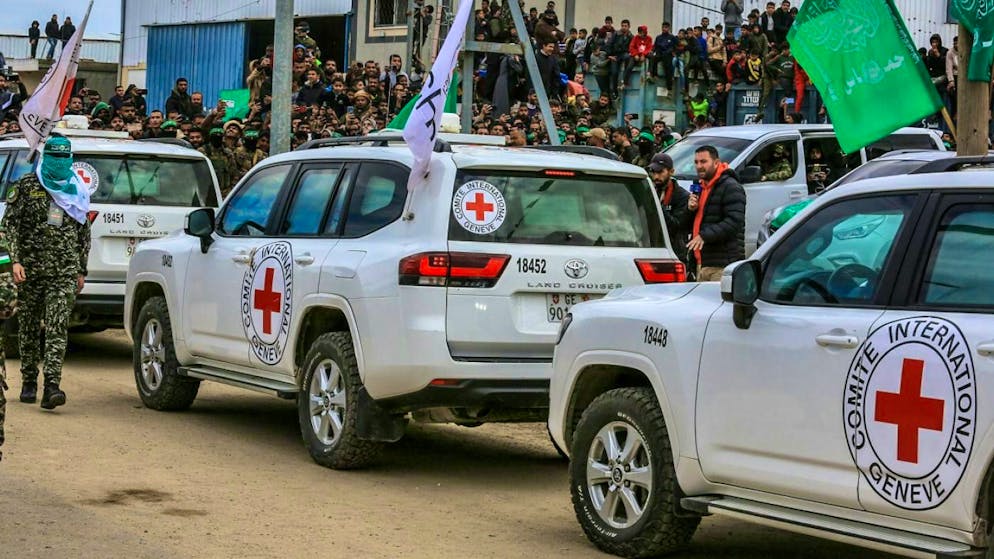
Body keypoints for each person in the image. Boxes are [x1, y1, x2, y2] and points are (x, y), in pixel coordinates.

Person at [3, 135, 91, 410]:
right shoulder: (27, 187)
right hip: (30, 271)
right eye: (55, 157)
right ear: (45, 158)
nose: (60, 163)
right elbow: (9, 227)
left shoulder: (77, 190)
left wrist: (81, 269)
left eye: (65, 158)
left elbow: (83, 232)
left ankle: (52, 385)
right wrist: (14, 261)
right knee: (28, 327)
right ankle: (29, 379)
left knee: (57, 326)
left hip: (64, 271)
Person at [687, 145, 745, 282]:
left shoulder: (730, 186)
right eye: (696, 162)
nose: (699, 166)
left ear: (716, 162)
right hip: (702, 262)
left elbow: (734, 221)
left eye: (703, 162)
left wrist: (704, 236)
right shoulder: (700, 187)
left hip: (722, 264)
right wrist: (690, 209)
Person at [647, 153, 690, 265]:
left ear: (671, 172)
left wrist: (658, 206)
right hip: (651, 248)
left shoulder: (681, 196)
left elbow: (677, 226)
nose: (656, 177)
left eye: (660, 172)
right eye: (653, 172)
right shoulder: (650, 191)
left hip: (674, 253)